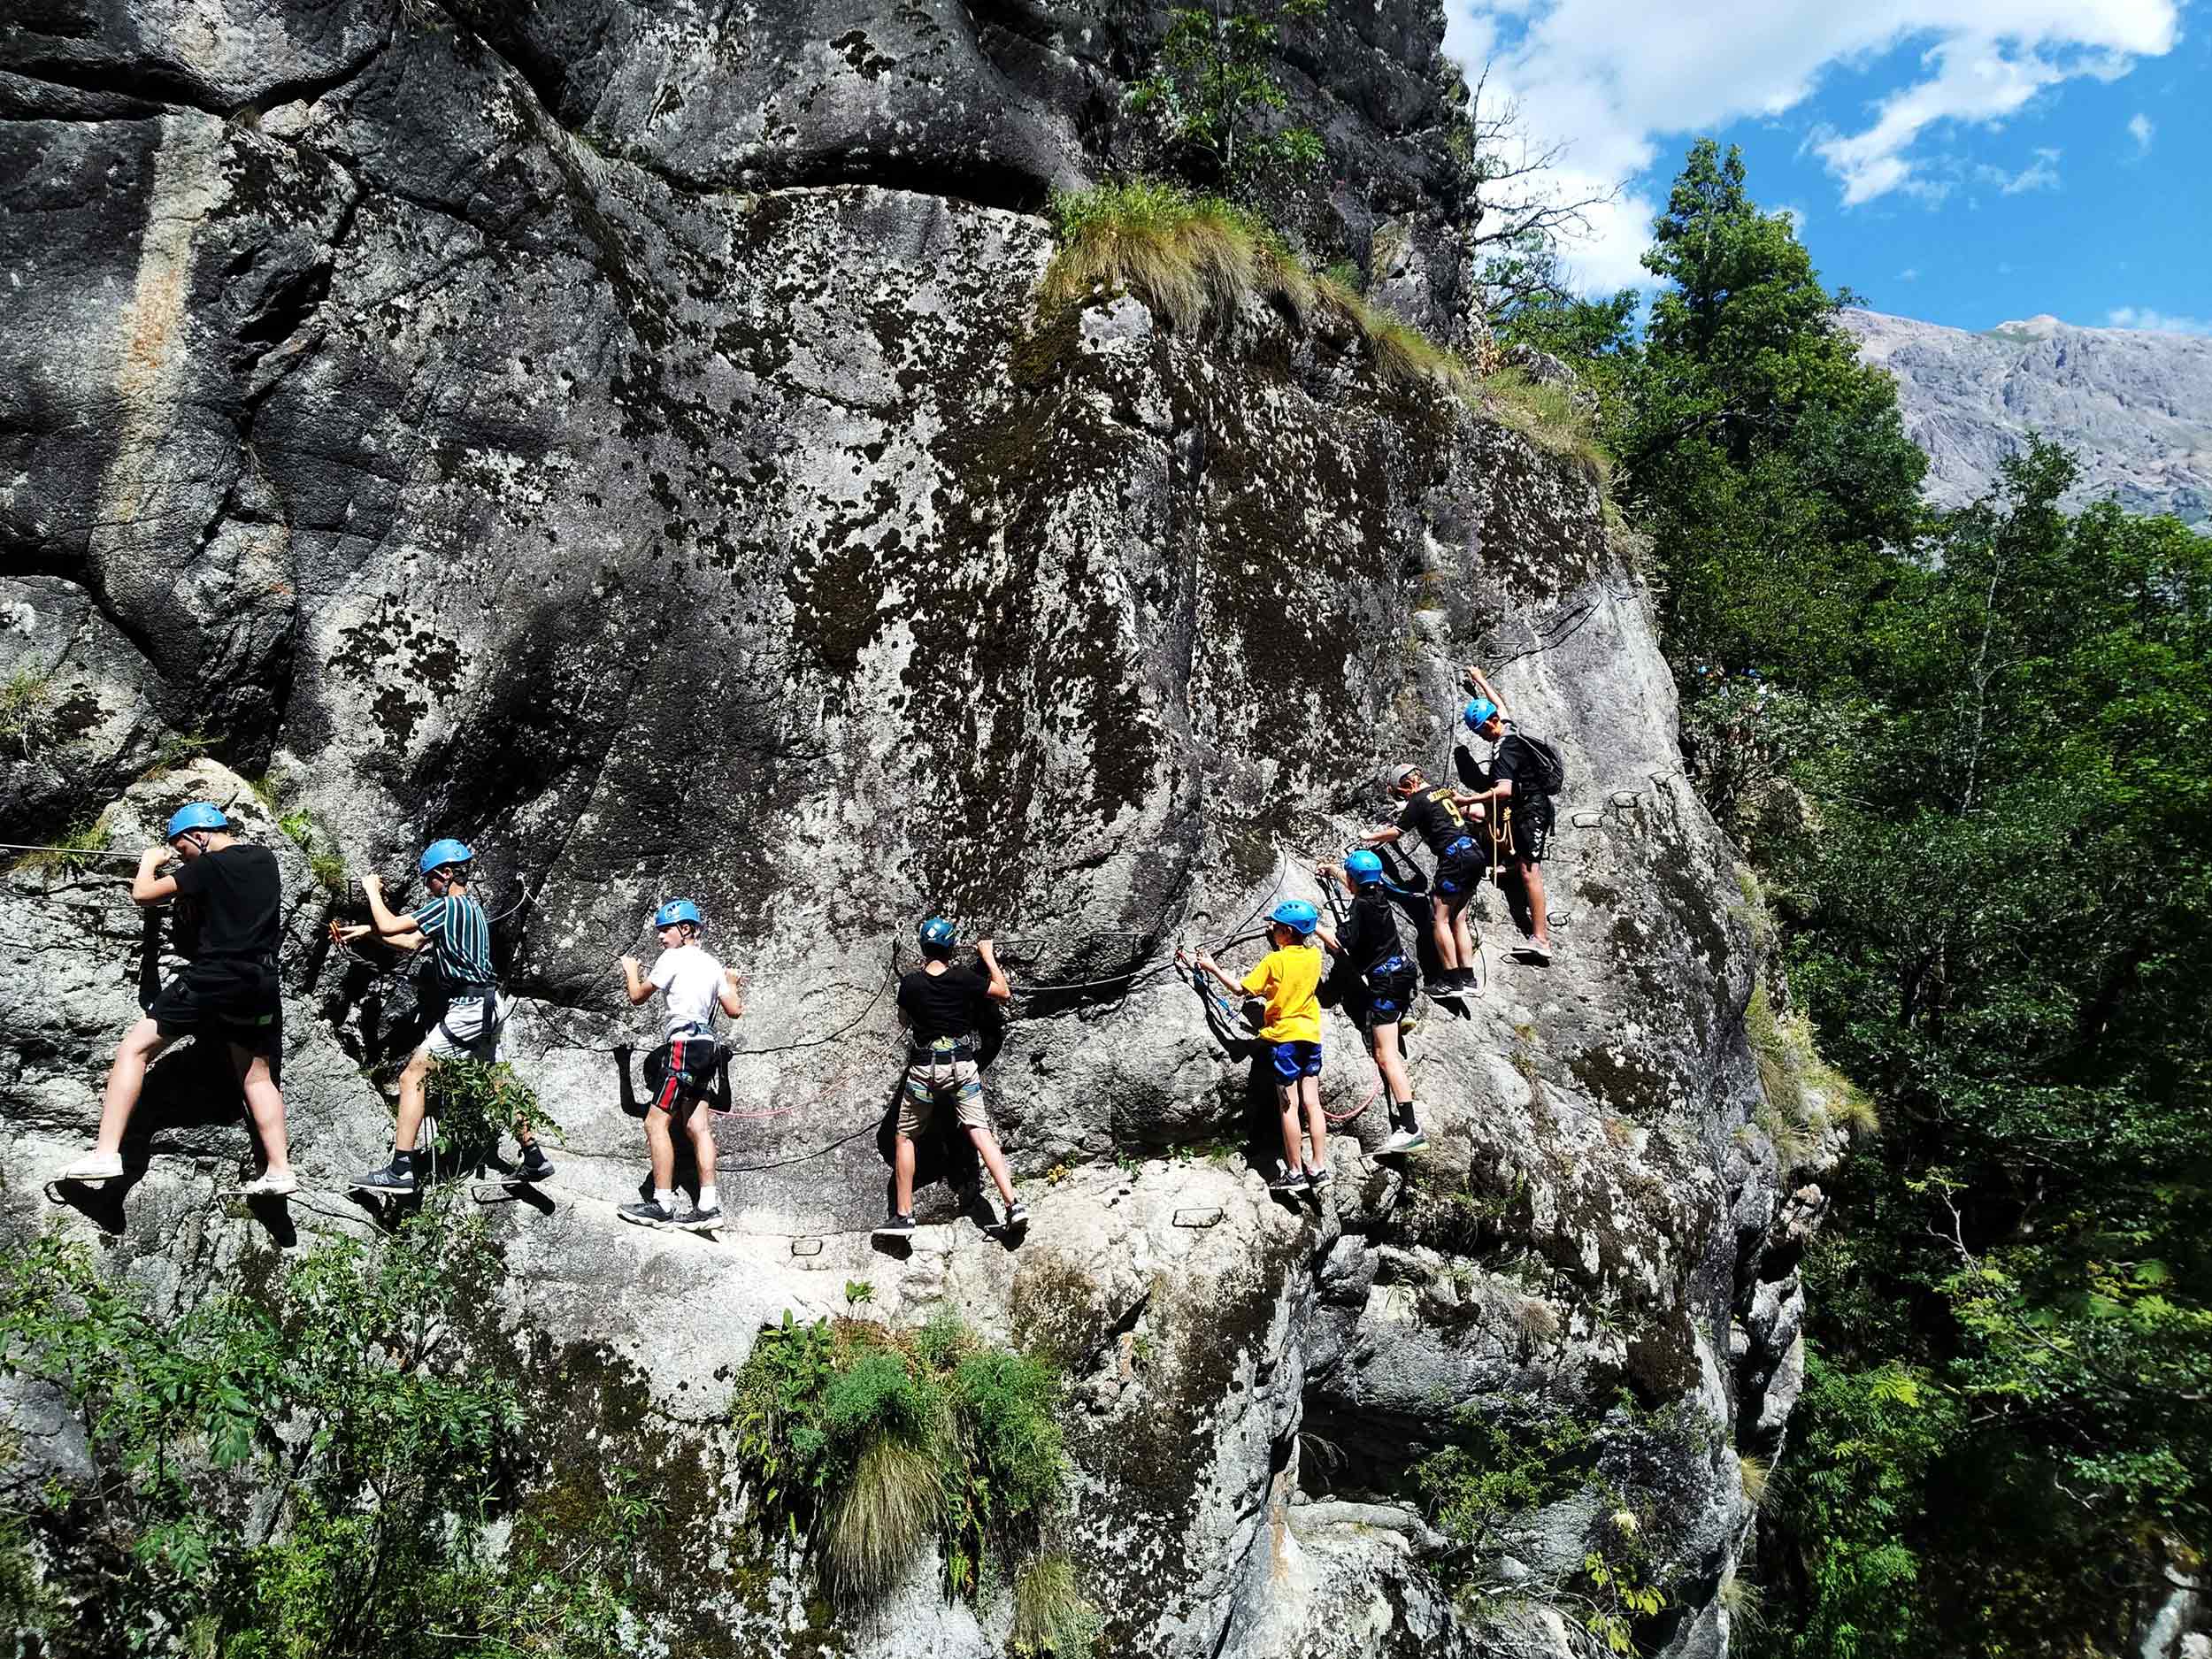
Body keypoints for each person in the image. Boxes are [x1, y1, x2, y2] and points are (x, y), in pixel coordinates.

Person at [61, 803, 297, 1194]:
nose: (181, 856)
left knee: (134, 1050)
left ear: (198, 835)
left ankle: (105, 1153)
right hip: (260, 983)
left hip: (214, 977)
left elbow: (144, 894)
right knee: (257, 1076)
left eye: (181, 848)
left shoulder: (206, 866)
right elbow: (226, 898)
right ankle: (279, 1170)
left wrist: (149, 862)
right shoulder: (264, 858)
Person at [342, 838, 549, 1193]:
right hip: (489, 1003)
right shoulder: (471, 911)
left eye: (430, 880)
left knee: (411, 1078)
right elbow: (410, 943)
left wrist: (372, 892)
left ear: (446, 874)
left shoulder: (448, 907)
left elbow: (394, 926)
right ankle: (533, 1156)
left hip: (468, 1008)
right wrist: (369, 932)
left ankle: (401, 1169)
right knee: (495, 1080)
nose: (428, 887)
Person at [878, 919, 1025, 1239]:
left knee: (905, 1138)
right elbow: (1003, 992)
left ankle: (904, 1216)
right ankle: (1013, 1204)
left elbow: (905, 1019)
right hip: (962, 1066)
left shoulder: (911, 985)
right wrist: (987, 956)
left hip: (926, 1070)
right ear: (951, 947)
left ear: (922, 947)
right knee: (981, 1133)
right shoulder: (963, 978)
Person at [1179, 899, 1333, 1194]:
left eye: (1275, 926)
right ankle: (1319, 1166)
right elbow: (1294, 959)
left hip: (1285, 1039)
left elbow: (1240, 989)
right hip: (1311, 1036)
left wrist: (1211, 967)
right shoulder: (1314, 957)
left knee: (1289, 1107)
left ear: (1286, 931)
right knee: (1312, 1103)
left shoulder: (1274, 962)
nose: (1271, 929)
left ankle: (1295, 1173)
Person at [616, 899, 743, 1232]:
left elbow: (637, 996)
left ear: (685, 929)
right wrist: (732, 982)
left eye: (665, 930)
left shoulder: (671, 958)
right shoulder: (713, 964)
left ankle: (662, 1203)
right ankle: (708, 1206)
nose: (661, 937)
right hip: (707, 1047)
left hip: (683, 1046)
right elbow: (734, 1010)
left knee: (656, 1123)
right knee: (697, 1126)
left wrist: (632, 972)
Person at [1316, 852, 1426, 1154]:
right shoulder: (1378, 892)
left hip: (1385, 984)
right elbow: (1359, 884)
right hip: (1402, 973)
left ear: (1353, 881)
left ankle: (1410, 1129)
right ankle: (1399, 1018)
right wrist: (1334, 871)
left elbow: (1340, 944)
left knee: (1385, 1056)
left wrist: (1313, 926)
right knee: (1388, 1041)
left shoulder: (1362, 906)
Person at [1358, 764, 1486, 1002]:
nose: (1403, 796)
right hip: (1473, 853)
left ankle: (1451, 980)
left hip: (1454, 857)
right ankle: (1469, 978)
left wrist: (1370, 836)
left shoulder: (1417, 800)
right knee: (1459, 918)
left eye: (1401, 792)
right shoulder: (1441, 790)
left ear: (1409, 784)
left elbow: (1396, 832)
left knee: (1440, 919)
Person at [1460, 664, 1554, 963]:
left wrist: (1468, 799)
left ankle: (1540, 939)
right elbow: (1500, 704)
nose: (1484, 739)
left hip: (1530, 810)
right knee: (1521, 863)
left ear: (1488, 727)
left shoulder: (1503, 750)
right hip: (1533, 804)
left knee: (1531, 872)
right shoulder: (1509, 726)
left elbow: (1503, 791)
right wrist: (1480, 678)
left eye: (1481, 733)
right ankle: (1512, 868)